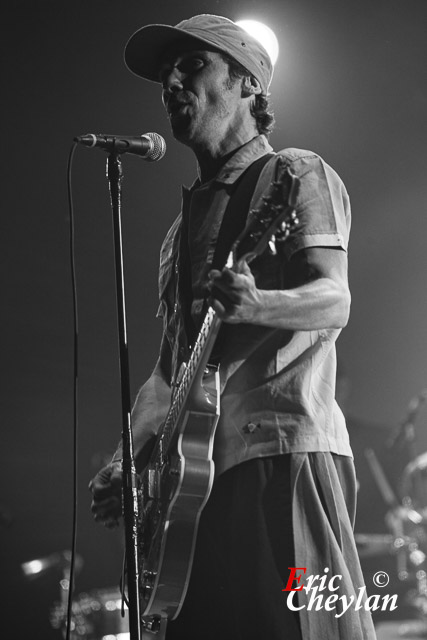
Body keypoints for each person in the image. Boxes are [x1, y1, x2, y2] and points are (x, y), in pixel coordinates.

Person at [89, 14, 376, 640]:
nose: (170, 81)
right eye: (165, 73)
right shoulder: (176, 235)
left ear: (248, 83)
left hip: (281, 450)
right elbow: (169, 375)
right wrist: (126, 461)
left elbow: (334, 300)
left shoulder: (295, 174)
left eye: (192, 65)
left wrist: (255, 306)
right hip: (190, 488)